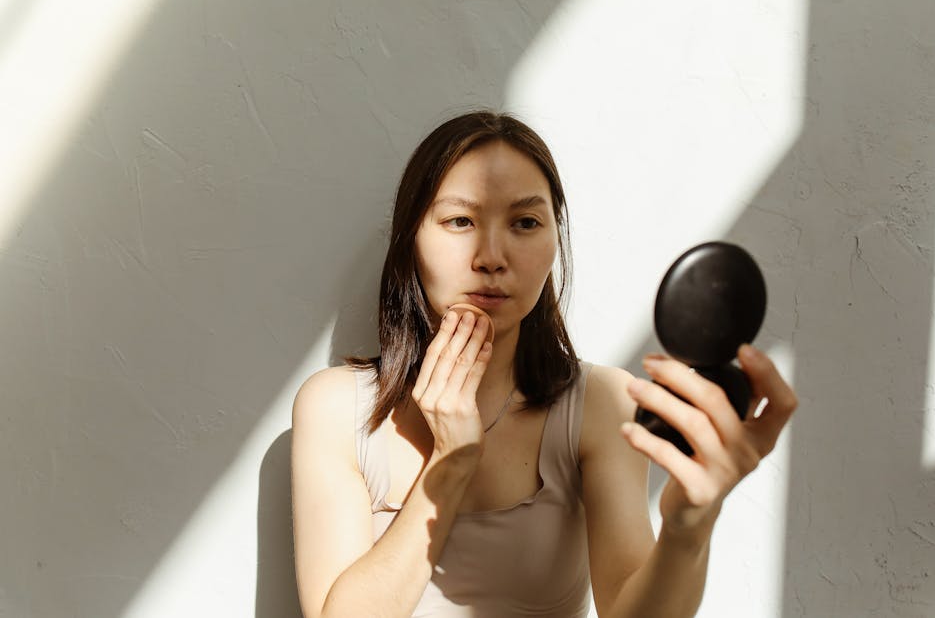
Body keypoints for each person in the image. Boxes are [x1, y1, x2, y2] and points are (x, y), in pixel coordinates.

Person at [290, 110, 798, 618]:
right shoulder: (337, 407)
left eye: (525, 223)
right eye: (460, 221)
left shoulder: (600, 403)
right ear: (411, 240)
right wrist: (450, 465)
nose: (490, 257)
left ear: (556, 242)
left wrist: (690, 522)